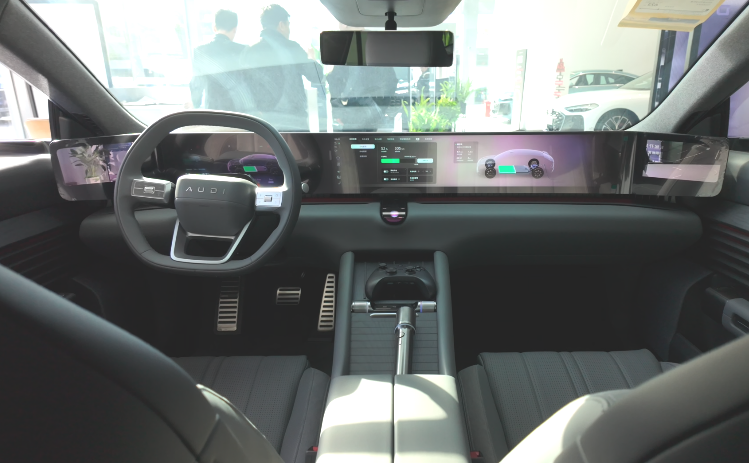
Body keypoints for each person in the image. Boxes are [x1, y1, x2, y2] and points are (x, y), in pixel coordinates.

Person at [241, 4, 323, 131]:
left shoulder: (249, 51)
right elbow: (316, 76)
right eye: (288, 24)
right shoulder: (291, 48)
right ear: (281, 25)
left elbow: (244, 87)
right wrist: (311, 58)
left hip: (263, 123)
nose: (289, 30)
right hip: (294, 120)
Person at [189, 10, 250, 112]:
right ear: (235, 29)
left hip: (213, 109)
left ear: (214, 28)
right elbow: (248, 82)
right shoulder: (243, 50)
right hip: (238, 110)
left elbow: (197, 83)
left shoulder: (200, 51)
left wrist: (195, 103)